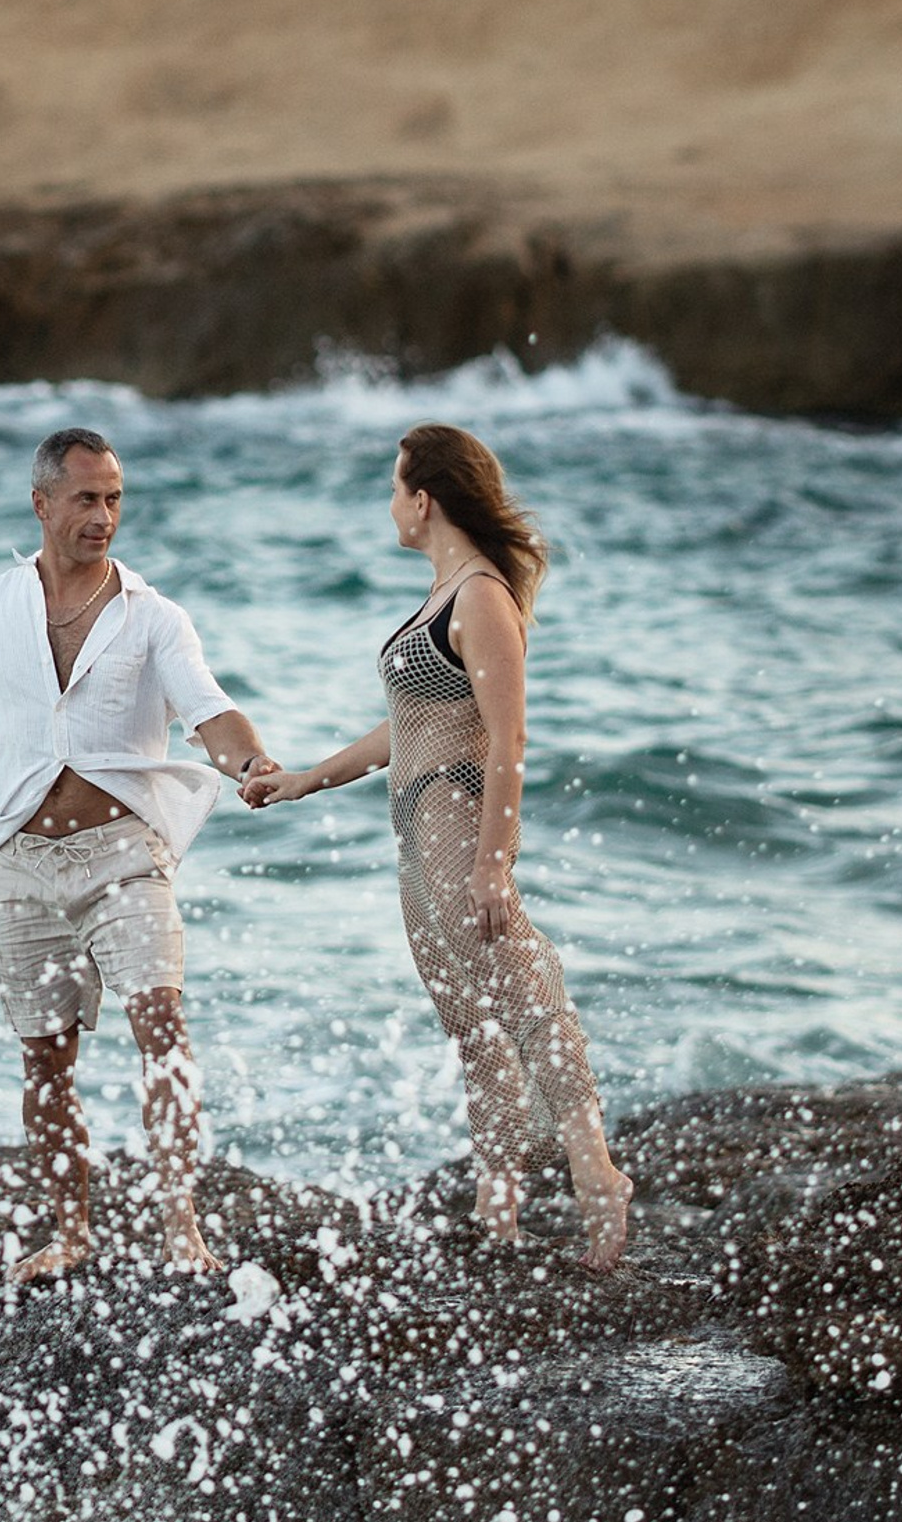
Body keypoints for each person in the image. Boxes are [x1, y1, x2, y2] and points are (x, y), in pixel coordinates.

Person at [243, 424, 632, 1274]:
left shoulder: (482, 597)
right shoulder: (440, 594)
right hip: (413, 826)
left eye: (394, 487)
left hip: (456, 813)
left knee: (530, 1010)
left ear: (425, 499)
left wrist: (496, 863)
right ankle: (499, 1212)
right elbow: (407, 726)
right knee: (472, 1029)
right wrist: (306, 778)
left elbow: (508, 735)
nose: (389, 504)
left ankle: (600, 1181)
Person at [0, 428, 278, 1282]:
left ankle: (181, 1225)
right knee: (45, 1056)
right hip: (21, 859)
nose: (104, 516)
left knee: (163, 1020)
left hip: (124, 853)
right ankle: (71, 1232)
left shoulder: (154, 618)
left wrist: (254, 762)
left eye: (114, 498)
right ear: (41, 503)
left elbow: (207, 710)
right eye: (86, 498)